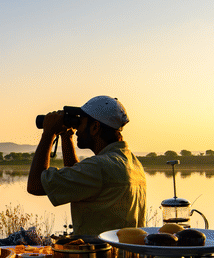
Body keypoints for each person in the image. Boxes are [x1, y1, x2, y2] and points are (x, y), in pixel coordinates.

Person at [27, 95, 147, 236]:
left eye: (81, 122)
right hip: (125, 253)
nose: (77, 129)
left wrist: (48, 133)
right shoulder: (132, 163)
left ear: (95, 127)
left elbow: (35, 185)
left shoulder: (99, 167)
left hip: (101, 256)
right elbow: (77, 181)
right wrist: (67, 137)